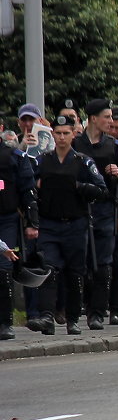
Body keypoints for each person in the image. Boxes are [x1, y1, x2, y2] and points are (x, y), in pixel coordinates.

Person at [26, 115, 107, 335]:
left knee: (74, 273)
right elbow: (28, 187)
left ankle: (72, 319)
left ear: (73, 135)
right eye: (58, 133)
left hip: (75, 224)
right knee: (48, 269)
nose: (61, 137)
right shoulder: (43, 161)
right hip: (50, 224)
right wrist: (37, 185)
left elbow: (101, 190)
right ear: (52, 135)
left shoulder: (82, 161)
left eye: (66, 133)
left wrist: (78, 186)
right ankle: (46, 317)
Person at [73, 99, 118, 329]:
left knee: (103, 262)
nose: (111, 121)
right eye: (106, 117)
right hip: (79, 208)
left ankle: (98, 312)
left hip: (105, 208)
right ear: (93, 119)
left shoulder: (115, 146)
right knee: (84, 261)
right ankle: (87, 305)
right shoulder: (76, 143)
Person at [0, 123, 38, 339]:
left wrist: (32, 223)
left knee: (3, 267)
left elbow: (27, 190)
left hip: (5, 217)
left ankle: (5, 322)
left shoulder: (13, 156)